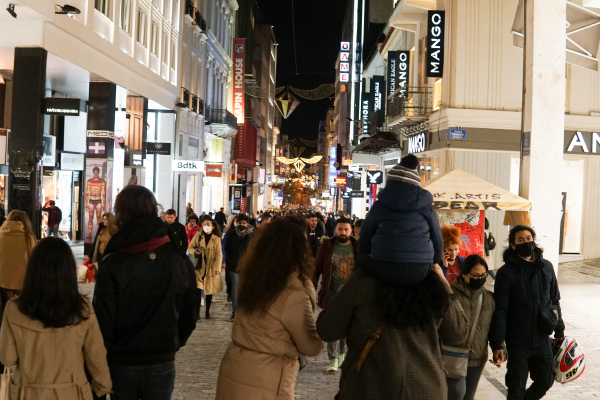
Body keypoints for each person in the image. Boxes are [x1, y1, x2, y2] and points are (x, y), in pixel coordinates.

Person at [93, 185, 199, 400]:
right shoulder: (178, 259)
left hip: (122, 361)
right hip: (162, 359)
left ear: (121, 214)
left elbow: (103, 318)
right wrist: (175, 343)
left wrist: (101, 359)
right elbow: (191, 310)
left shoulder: (113, 261)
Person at [317, 262, 468, 399]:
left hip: (369, 388)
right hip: (425, 389)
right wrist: (446, 287)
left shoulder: (362, 281)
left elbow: (327, 330)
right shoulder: (432, 283)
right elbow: (458, 334)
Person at [215, 216, 324, 400]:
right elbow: (310, 346)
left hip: (235, 367)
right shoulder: (293, 292)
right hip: (267, 379)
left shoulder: (254, 278)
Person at [0, 237, 112, 399]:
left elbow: (7, 358)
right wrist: (103, 386)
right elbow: (96, 355)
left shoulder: (14, 308)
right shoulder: (82, 309)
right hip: (73, 393)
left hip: (29, 393)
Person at [489, 225, 565, 400]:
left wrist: (560, 330)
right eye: (520, 240)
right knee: (516, 388)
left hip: (542, 338)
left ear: (533, 239)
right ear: (513, 245)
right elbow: (501, 310)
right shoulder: (505, 273)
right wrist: (497, 343)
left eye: (528, 238)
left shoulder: (546, 267)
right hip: (518, 341)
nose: (526, 242)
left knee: (545, 380)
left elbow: (554, 300)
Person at [358, 154, 443, 286]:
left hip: (385, 266)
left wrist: (362, 256)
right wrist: (435, 260)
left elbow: (365, 233)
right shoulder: (426, 207)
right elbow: (437, 236)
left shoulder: (380, 205)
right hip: (419, 268)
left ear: (390, 183)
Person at [447, 255, 497, 400]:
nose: (480, 279)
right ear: (464, 274)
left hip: (477, 356)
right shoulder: (449, 295)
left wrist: (499, 348)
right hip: (453, 356)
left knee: (469, 395)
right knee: (456, 394)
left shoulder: (489, 298)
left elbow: (492, 327)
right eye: (475, 275)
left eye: (483, 275)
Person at [313, 217, 358, 372]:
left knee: (346, 326)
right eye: (340, 229)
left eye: (346, 229)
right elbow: (316, 269)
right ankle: (333, 359)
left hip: (351, 294)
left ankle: (343, 355)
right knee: (332, 326)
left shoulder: (357, 247)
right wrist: (311, 288)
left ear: (351, 231)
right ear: (335, 230)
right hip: (331, 292)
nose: (343, 232)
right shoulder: (326, 247)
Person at [188, 217, 223, 319]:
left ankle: (207, 312)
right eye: (205, 224)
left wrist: (217, 268)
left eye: (208, 224)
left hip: (210, 268)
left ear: (213, 227)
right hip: (199, 267)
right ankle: (197, 313)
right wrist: (194, 251)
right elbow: (190, 247)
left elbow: (219, 254)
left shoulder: (216, 239)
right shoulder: (198, 236)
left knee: (209, 290)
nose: (206, 226)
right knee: (198, 290)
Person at [0, 211, 36, 301]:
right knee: (22, 308)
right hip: (23, 279)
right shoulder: (29, 237)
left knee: (7, 306)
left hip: (4, 278)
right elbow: (34, 259)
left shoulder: (1, 235)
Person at [223, 214, 254, 321]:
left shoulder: (252, 236)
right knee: (235, 291)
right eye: (239, 223)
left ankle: (245, 313)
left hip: (247, 268)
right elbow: (227, 250)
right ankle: (235, 312)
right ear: (236, 223)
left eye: (244, 223)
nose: (241, 225)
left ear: (247, 224)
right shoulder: (231, 235)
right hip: (234, 267)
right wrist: (227, 262)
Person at [85, 167, 106, 241]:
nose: (96, 174)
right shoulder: (89, 181)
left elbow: (103, 193)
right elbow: (87, 193)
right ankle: (90, 234)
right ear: (93, 172)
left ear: (98, 173)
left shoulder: (102, 182)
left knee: (98, 218)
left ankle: (98, 234)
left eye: (97, 172)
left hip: (98, 200)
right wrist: (86, 203)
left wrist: (103, 204)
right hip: (91, 200)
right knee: (90, 217)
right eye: (95, 172)